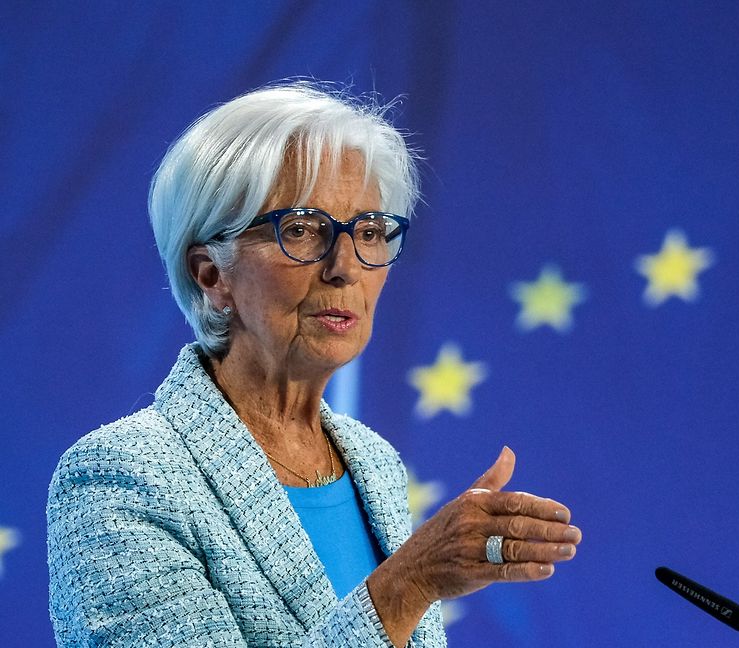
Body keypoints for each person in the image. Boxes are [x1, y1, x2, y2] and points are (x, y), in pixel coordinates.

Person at [47, 82, 581, 647]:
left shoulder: (373, 462)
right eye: (301, 229)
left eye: (370, 231)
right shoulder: (122, 476)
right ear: (212, 275)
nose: (345, 267)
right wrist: (410, 581)